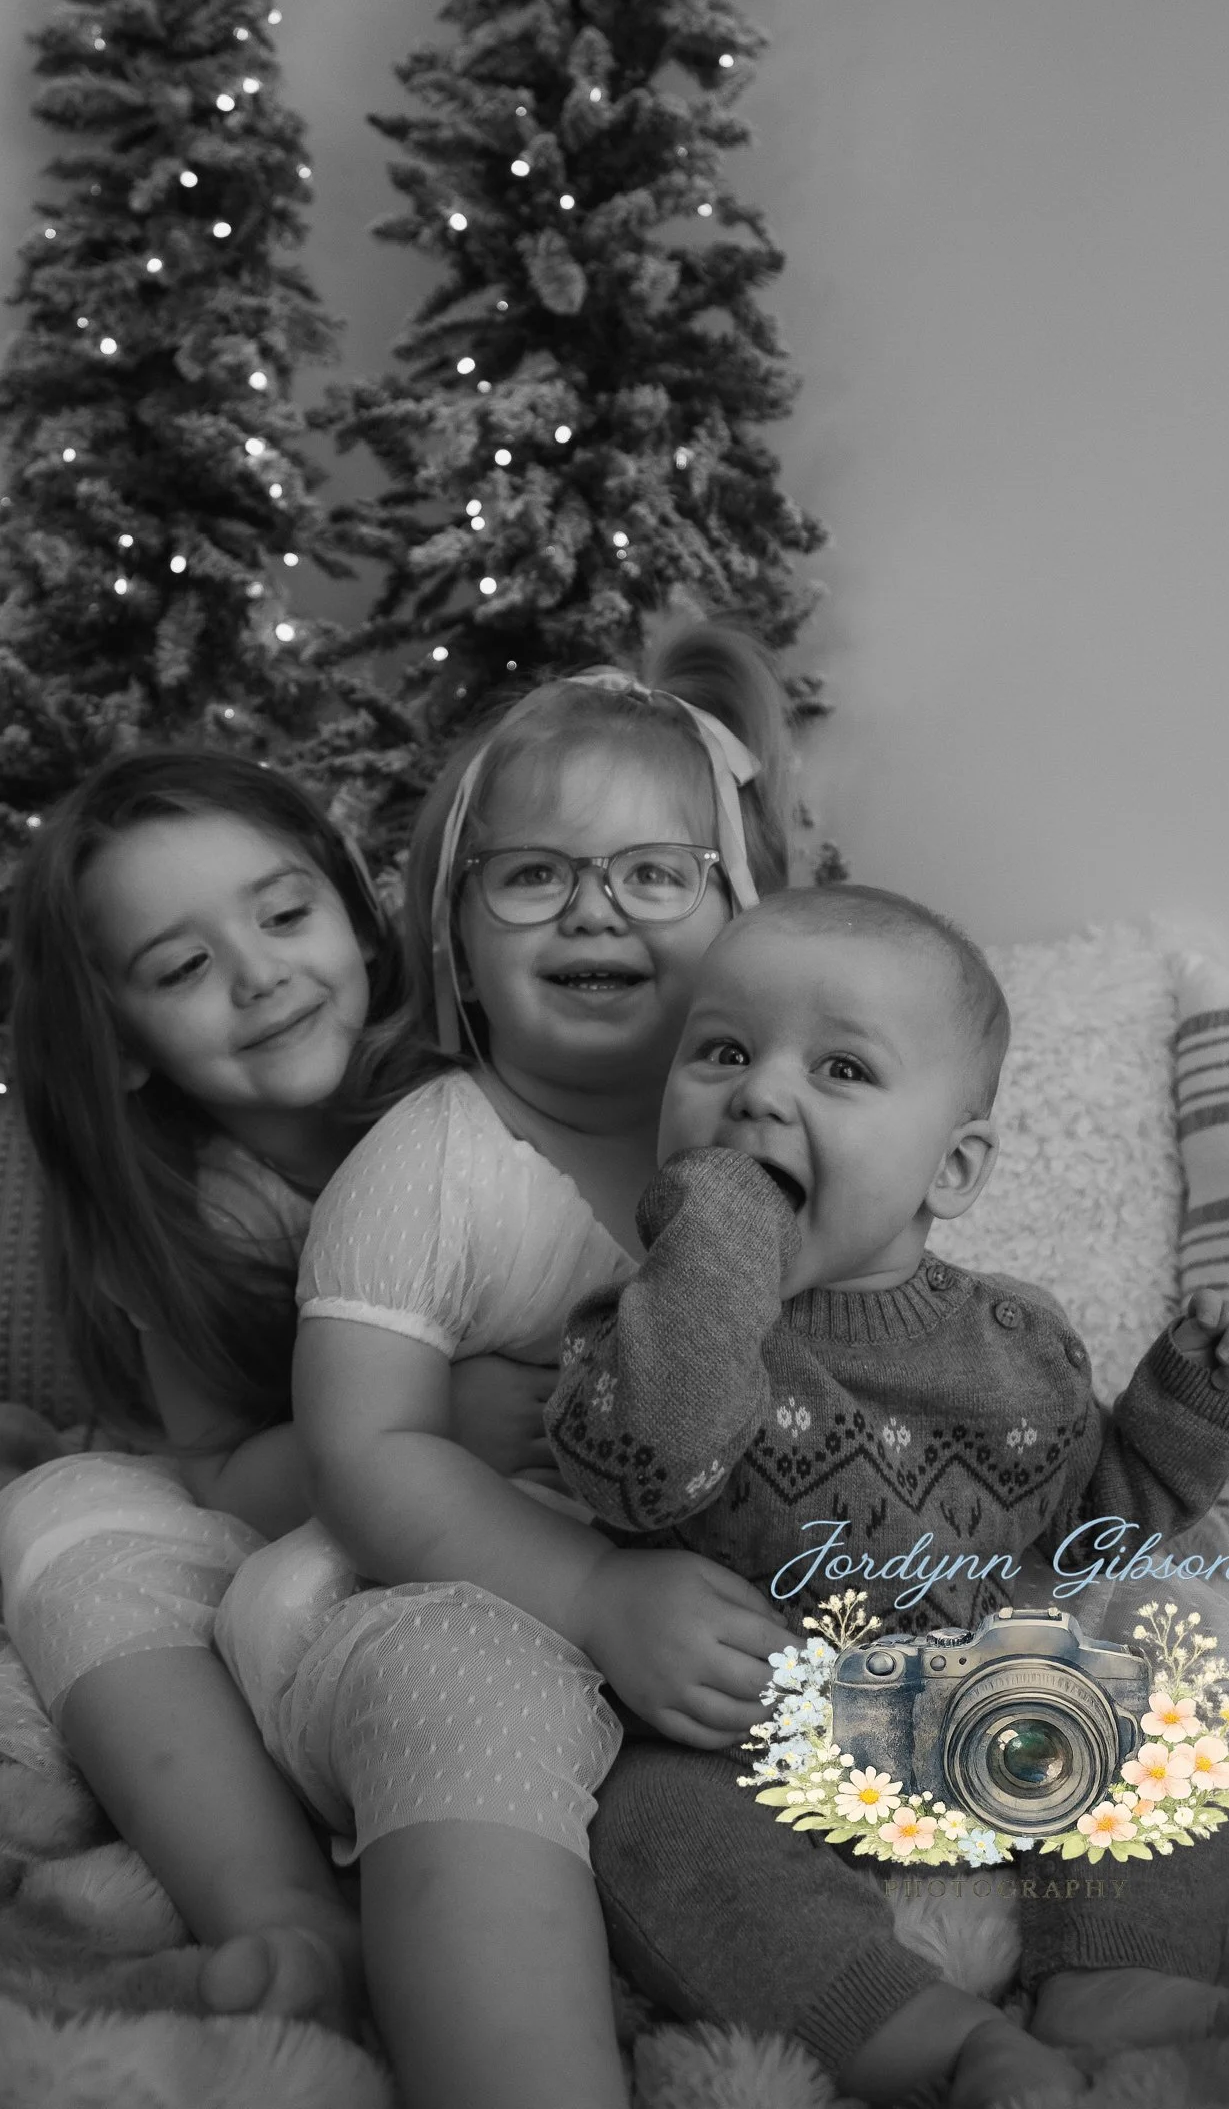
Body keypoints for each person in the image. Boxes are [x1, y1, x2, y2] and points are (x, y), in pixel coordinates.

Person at [546, 883, 1229, 2108]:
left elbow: (1085, 1535)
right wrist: (722, 1237)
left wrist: (1181, 1415)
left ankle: (1114, 1972)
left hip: (953, 1709)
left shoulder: (1016, 1339)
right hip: (740, 1737)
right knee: (643, 1828)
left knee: (1165, 1707)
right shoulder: (634, 1333)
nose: (762, 1094)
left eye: (839, 1068)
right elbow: (647, 1469)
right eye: (723, 1053)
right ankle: (924, 2032)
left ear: (953, 1167)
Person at [217, 622, 801, 2108]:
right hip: (454, 1583)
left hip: (722, 1606)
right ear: (456, 947)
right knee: (470, 1700)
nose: (591, 909)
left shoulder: (779, 1154)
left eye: (655, 874)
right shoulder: (433, 1165)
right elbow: (367, 1456)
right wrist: (595, 1594)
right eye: (533, 876)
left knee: (1080, 1648)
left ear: (747, 920)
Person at [0, 747, 621, 2104]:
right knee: (56, 1508)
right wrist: (419, 1419)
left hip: (543, 1528)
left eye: (283, 917)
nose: (260, 974)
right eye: (179, 966)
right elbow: (217, 1469)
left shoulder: (477, 1089)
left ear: (351, 908)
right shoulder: (177, 1210)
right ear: (121, 1035)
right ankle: (276, 1905)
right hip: (307, 1524)